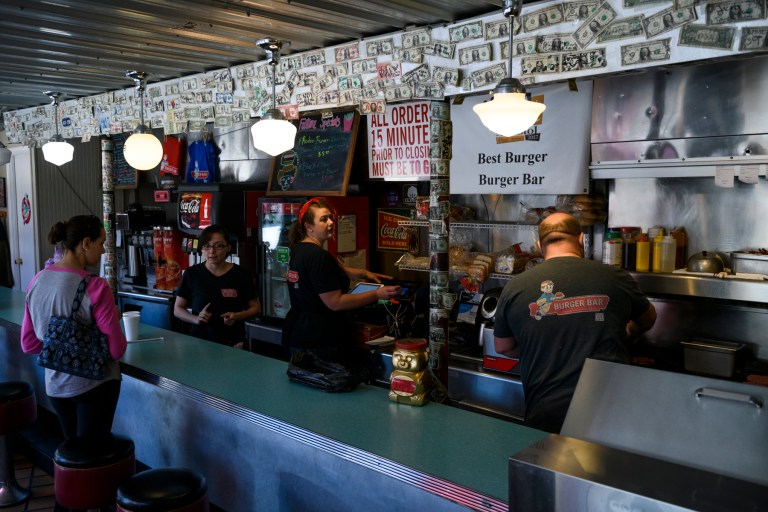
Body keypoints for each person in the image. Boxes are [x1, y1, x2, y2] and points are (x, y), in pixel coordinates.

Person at [493, 213, 656, 433]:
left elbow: (503, 346)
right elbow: (648, 319)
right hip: (610, 410)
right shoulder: (616, 277)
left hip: (547, 410)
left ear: (540, 245)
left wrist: (538, 343)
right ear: (581, 240)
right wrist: (628, 331)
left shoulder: (515, 286)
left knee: (550, 465)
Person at [21, 215, 127, 440]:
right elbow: (117, 350)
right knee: (94, 454)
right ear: (86, 243)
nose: (103, 251)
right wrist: (112, 318)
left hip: (56, 388)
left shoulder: (37, 280)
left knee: (76, 452)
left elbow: (29, 344)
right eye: (101, 244)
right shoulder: (96, 286)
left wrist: (63, 347)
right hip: (95, 386)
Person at [282, 198, 400, 363]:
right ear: (309, 227)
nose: (330, 222)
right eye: (323, 219)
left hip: (299, 331)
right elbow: (335, 302)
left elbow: (336, 272)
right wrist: (376, 294)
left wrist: (365, 273)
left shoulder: (299, 250)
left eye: (330, 217)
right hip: (319, 339)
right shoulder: (318, 256)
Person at [174, 225, 261, 347]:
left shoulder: (241, 274)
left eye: (218, 246)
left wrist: (237, 316)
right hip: (199, 343)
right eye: (206, 246)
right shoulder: (192, 274)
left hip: (233, 344)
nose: (212, 251)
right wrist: (196, 319)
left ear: (228, 248)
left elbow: (256, 308)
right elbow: (178, 309)